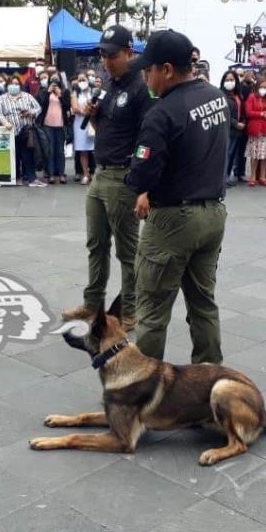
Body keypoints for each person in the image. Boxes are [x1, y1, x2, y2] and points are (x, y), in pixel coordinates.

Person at [124, 29, 229, 364]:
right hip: (213, 213)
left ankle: (141, 392)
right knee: (203, 305)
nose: (145, 76)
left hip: (173, 220)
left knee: (152, 309)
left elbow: (142, 173)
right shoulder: (216, 97)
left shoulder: (162, 112)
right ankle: (210, 384)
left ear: (167, 69)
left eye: (148, 69)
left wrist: (135, 182)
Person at [61, 25, 153, 330]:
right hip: (100, 175)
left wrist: (143, 186)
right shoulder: (110, 86)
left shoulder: (141, 90)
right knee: (95, 244)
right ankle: (92, 305)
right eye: (102, 53)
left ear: (129, 53)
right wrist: (96, 116)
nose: (105, 60)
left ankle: (129, 312)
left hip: (124, 177)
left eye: (111, 55)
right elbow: (105, 133)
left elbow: (147, 140)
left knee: (128, 253)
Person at [0, 74, 43, 187]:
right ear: (8, 85)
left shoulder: (27, 96)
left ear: (20, 85)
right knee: (14, 156)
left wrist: (31, 113)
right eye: (12, 83)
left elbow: (38, 108)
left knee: (28, 155)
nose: (14, 86)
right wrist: (5, 122)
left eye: (17, 84)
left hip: (26, 131)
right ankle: (16, 178)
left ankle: (32, 178)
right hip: (9, 131)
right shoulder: (1, 99)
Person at [37, 76, 71, 184]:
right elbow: (41, 104)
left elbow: (67, 106)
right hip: (48, 125)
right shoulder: (44, 92)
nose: (54, 82)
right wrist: (48, 92)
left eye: (57, 80)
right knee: (50, 151)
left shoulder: (65, 92)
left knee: (60, 151)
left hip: (60, 125)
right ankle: (51, 175)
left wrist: (60, 95)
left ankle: (61, 174)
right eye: (52, 80)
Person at [220, 70, 245, 188]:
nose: (229, 82)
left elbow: (243, 112)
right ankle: (222, 179)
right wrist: (236, 124)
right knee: (226, 154)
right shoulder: (221, 95)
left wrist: (243, 122)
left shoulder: (238, 95)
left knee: (232, 154)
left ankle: (227, 176)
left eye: (231, 80)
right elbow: (225, 114)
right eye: (227, 80)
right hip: (227, 129)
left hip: (237, 131)